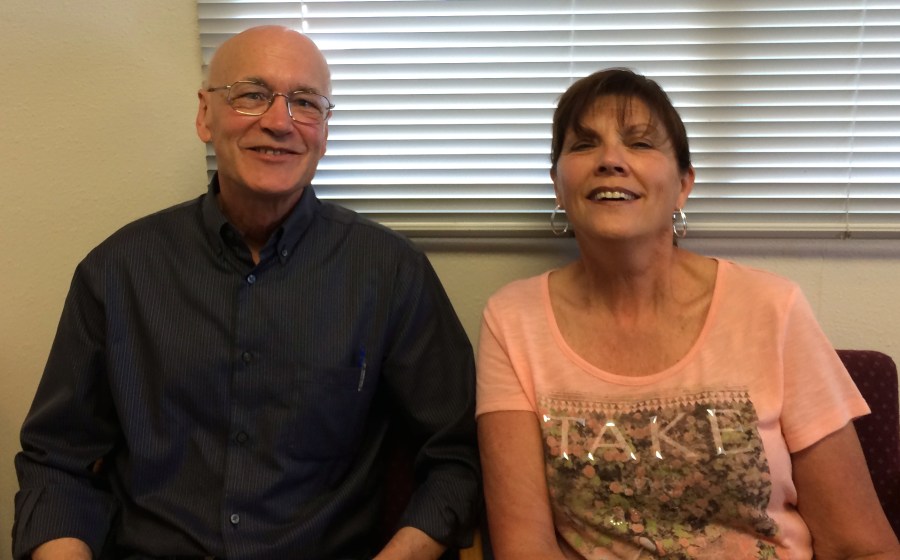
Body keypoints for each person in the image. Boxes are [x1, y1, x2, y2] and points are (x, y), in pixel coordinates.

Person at [14, 26, 479, 560]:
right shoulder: (118, 271)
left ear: (325, 132)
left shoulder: (392, 273)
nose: (279, 121)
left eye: (305, 102)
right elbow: (57, 461)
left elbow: (456, 458)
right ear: (204, 115)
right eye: (252, 95)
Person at [475, 68, 900, 559]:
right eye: (584, 144)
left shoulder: (772, 308)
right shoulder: (513, 320)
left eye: (639, 143)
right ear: (557, 185)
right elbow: (525, 549)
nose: (610, 160)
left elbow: (861, 546)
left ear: (683, 185)